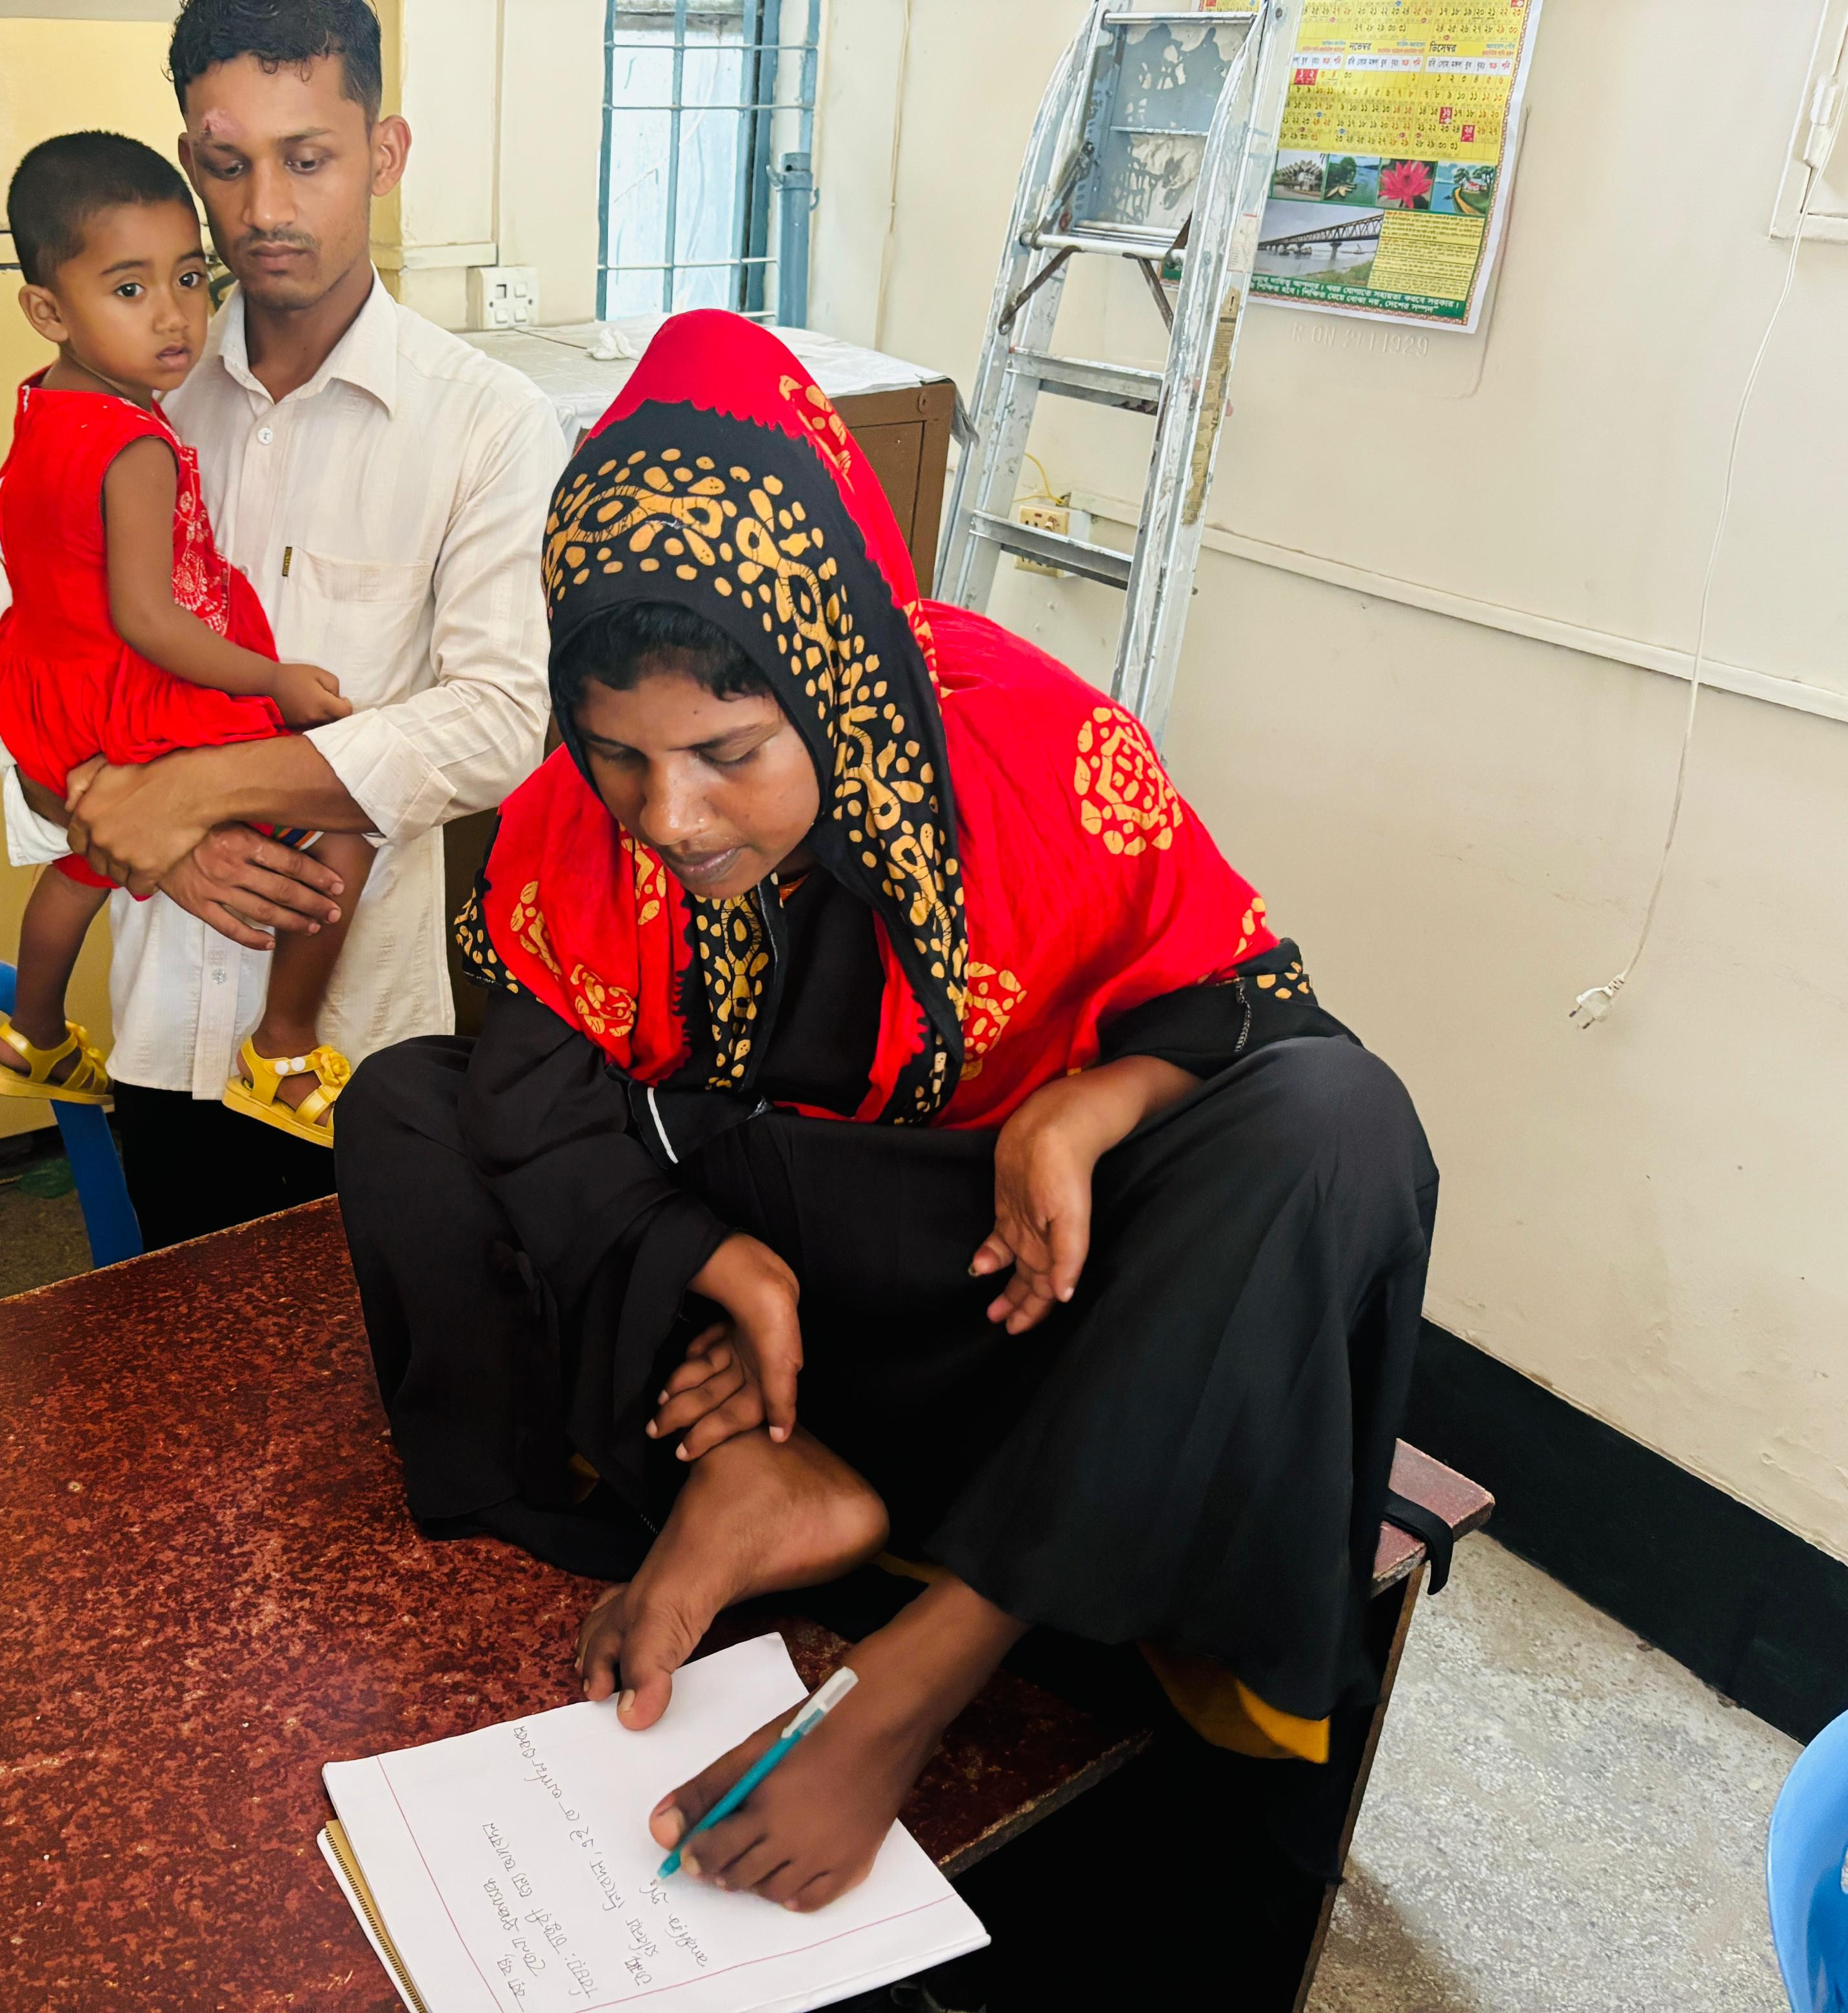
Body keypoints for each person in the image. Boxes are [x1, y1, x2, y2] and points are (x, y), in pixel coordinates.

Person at [336, 315, 1437, 1956]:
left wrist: (1088, 1103)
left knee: (1339, 1130)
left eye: (728, 755)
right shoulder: (578, 823)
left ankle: (930, 1656)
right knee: (405, 1110)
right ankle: (772, 1477)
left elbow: (1252, 1002)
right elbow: (532, 1088)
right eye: (619, 756)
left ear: (833, 668)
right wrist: (707, 1265)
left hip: (1005, 1306)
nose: (672, 819)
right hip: (763, 1310)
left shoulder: (1036, 750)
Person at [0, 0, 565, 1242]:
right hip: (163, 1016)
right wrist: (133, 816)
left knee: (370, 1379)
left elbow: (501, 719)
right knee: (186, 1381)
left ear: (384, 157)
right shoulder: (128, 400)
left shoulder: (486, 423)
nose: (267, 208)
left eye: (310, 158)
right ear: (190, 162)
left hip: (358, 1045)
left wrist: (204, 788)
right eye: (229, 165)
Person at [0, 131, 375, 1145]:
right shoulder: (136, 443)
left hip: (49, 683)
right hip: (133, 687)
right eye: (129, 289)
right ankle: (281, 1051)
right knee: (341, 837)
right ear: (48, 309)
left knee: (83, 864)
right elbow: (149, 618)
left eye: (189, 278)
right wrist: (275, 682)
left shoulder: (43, 407)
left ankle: (31, 1036)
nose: (174, 315)